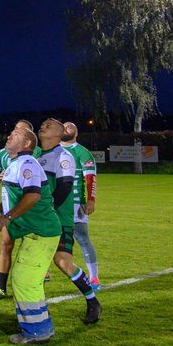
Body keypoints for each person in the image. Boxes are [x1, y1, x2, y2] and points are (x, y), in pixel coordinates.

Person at [0, 126, 61, 344]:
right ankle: (41, 326)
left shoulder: (27, 164)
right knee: (25, 280)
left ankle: (38, 332)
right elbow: (15, 194)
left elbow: (33, 196)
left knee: (25, 281)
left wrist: (8, 217)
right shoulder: (15, 164)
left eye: (15, 135)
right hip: (35, 232)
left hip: (42, 232)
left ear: (26, 144)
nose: (9, 136)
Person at [35, 118, 101, 325]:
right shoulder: (37, 155)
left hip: (57, 219)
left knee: (63, 262)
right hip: (39, 219)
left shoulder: (64, 156)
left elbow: (63, 188)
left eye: (49, 125)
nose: (43, 126)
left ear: (59, 133)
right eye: (43, 123)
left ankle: (92, 300)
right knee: (34, 264)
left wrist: (49, 210)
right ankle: (35, 310)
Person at [0, 119, 34, 301]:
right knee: (6, 244)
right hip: (9, 207)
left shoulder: (34, 155)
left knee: (31, 246)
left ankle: (33, 283)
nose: (13, 134)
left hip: (29, 209)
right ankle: (1, 288)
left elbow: (34, 192)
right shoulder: (3, 153)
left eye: (19, 132)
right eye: (14, 130)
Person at [62, 121, 100, 286]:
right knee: (47, 238)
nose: (66, 128)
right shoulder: (52, 151)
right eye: (63, 127)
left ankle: (94, 277)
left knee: (83, 238)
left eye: (70, 127)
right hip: (55, 205)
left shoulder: (83, 153)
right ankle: (44, 272)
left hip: (77, 205)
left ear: (76, 133)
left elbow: (90, 178)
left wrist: (91, 200)